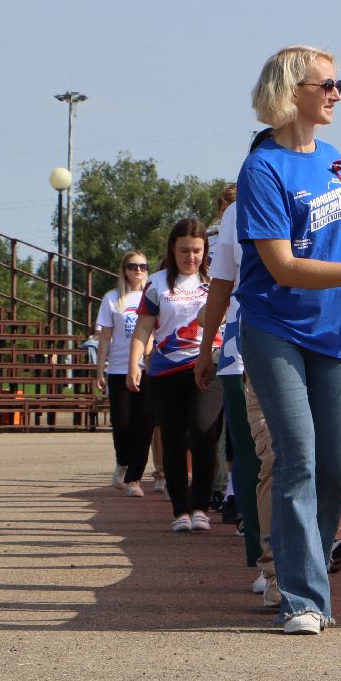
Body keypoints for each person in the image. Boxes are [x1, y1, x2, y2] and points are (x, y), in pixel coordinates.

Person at [234, 45, 341, 635]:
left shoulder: (333, 159)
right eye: (327, 84)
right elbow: (284, 268)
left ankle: (297, 563)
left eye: (340, 84)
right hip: (274, 329)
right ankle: (303, 597)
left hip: (335, 331)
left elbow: (329, 250)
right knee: (298, 458)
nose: (337, 93)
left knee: (338, 468)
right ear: (292, 93)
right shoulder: (261, 169)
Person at [195, 167, 280, 604]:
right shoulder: (228, 229)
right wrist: (207, 349)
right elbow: (220, 290)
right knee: (249, 454)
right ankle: (264, 558)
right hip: (238, 348)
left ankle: (290, 553)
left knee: (281, 456)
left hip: (286, 341)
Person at [128, 218, 223, 533]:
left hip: (207, 367)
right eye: (184, 250)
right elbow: (143, 327)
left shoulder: (215, 282)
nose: (191, 257)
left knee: (202, 433)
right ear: (172, 249)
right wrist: (133, 364)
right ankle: (181, 509)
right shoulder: (156, 284)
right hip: (166, 371)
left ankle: (201, 506)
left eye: (197, 251)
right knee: (173, 439)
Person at [95, 251, 151, 493]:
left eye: (142, 265)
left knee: (144, 424)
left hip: (147, 369)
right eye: (132, 266)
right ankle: (122, 462)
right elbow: (105, 337)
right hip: (118, 368)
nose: (138, 270)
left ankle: (134, 478)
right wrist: (100, 370)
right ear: (124, 270)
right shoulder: (112, 298)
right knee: (122, 424)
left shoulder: (153, 294)